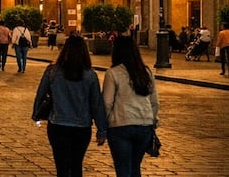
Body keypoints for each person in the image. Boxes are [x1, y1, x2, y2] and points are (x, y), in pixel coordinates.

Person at [32, 34, 108, 177]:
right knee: (76, 165)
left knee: (61, 167)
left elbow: (40, 94)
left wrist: (36, 113)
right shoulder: (90, 75)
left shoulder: (52, 71)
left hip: (58, 125)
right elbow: (96, 104)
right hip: (82, 127)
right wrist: (101, 129)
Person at [102, 36, 159, 177]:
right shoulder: (145, 72)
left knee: (123, 169)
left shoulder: (113, 73)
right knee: (135, 167)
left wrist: (104, 125)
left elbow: (107, 103)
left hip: (121, 126)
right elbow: (155, 101)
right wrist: (153, 121)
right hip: (144, 125)